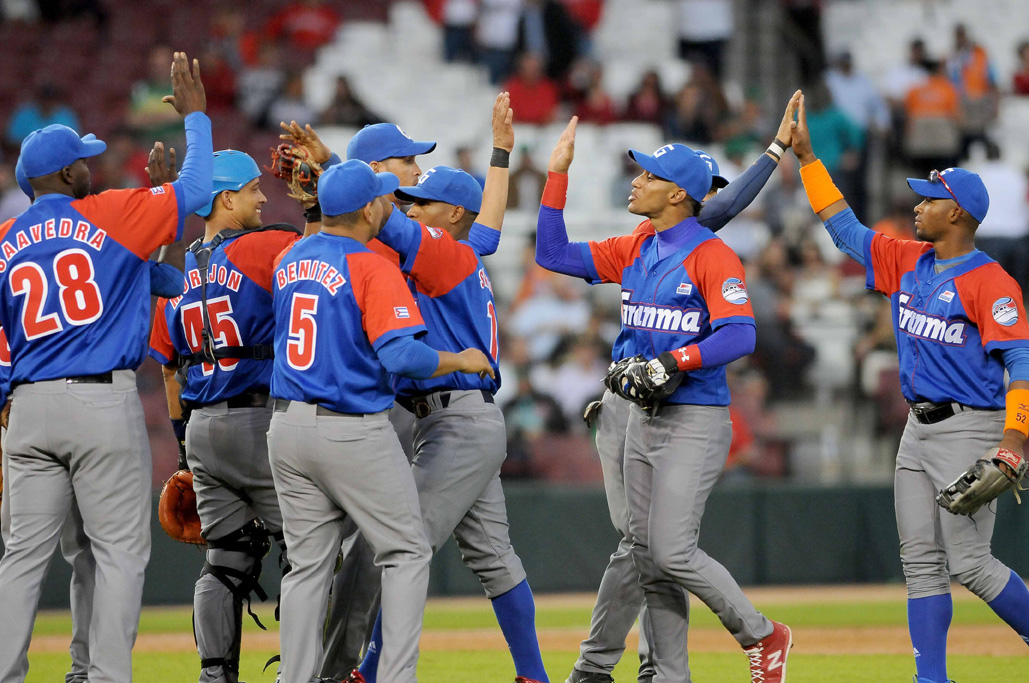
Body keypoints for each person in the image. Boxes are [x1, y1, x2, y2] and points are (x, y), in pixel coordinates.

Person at [537, 96, 802, 683]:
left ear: (677, 193)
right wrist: (557, 173)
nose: (636, 180)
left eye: (649, 174)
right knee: (646, 552)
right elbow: (550, 252)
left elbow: (740, 334)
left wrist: (675, 361)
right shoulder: (639, 244)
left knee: (671, 552)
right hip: (637, 413)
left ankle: (762, 634)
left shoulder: (711, 253)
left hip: (693, 415)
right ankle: (661, 674)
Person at [791, 90, 1029, 683]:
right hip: (916, 430)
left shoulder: (991, 282)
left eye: (929, 201)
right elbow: (846, 231)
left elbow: (1021, 361)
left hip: (970, 425)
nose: (915, 206)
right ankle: (931, 679)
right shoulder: (908, 260)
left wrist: (1015, 441)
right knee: (920, 563)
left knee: (970, 563)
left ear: (957, 215)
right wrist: (808, 162)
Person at [0, 51, 211, 682]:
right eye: (83, 158)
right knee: (118, 553)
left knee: (21, 560)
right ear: (66, 173)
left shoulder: (6, 239)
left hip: (29, 410)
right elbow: (197, 192)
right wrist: (196, 120)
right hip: (99, 403)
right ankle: (103, 678)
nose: (91, 163)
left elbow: (153, 278)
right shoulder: (110, 213)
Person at [345, 92, 549, 683]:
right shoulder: (467, 247)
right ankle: (533, 676)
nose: (410, 208)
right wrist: (502, 154)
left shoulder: (441, 252)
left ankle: (373, 669)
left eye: (422, 203)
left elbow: (393, 222)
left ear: (448, 215)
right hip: (459, 419)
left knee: (404, 547)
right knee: (494, 557)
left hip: (456, 419)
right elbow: (489, 224)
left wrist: (345, 170)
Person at [267, 159, 494, 683]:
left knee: (307, 567)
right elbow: (403, 358)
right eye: (384, 200)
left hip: (286, 427)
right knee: (407, 550)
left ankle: (295, 678)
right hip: (349, 428)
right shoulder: (372, 265)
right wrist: (459, 359)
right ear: (370, 207)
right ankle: (395, 677)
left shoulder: (288, 257)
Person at [148, 149, 303, 683]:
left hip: (203, 429)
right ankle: (305, 671)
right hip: (260, 423)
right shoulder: (268, 246)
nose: (264, 197)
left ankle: (215, 676)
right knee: (313, 550)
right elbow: (336, 252)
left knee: (224, 561)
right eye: (254, 189)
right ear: (226, 198)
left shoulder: (178, 275)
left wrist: (185, 448)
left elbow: (170, 370)